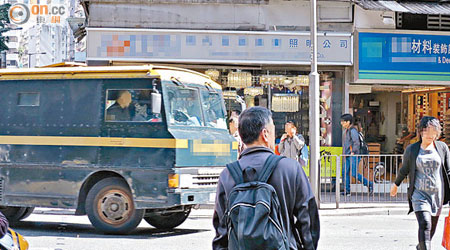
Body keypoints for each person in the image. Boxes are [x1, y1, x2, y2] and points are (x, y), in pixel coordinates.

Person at [213, 106, 320, 250]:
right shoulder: (290, 169)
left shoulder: (227, 175)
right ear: (265, 133)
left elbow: (221, 230)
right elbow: (308, 221)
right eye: (273, 129)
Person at [390, 116, 450, 250]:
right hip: (419, 195)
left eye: (434, 132)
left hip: (437, 196)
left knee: (431, 231)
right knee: (425, 224)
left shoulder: (442, 148)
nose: (430, 135)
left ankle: (421, 246)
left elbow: (448, 171)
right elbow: (404, 169)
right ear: (421, 132)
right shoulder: (412, 150)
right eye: (427, 132)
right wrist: (396, 184)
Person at [340, 113, 373, 196]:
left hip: (353, 155)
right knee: (345, 172)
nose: (342, 123)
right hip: (347, 155)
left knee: (354, 173)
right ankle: (346, 191)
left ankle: (369, 184)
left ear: (348, 122)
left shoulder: (352, 131)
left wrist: (353, 152)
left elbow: (356, 143)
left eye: (343, 122)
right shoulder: (347, 131)